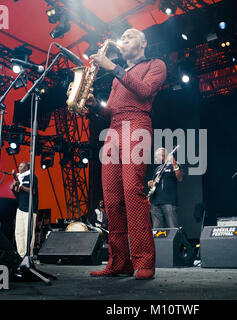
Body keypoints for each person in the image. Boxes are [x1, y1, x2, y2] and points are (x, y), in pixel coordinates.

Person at [87, 28, 167, 279]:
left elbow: (143, 91)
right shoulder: (115, 78)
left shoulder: (156, 64)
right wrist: (94, 107)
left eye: (128, 37)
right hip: (113, 130)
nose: (122, 41)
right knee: (111, 198)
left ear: (143, 43)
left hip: (137, 124)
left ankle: (144, 261)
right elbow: (110, 110)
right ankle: (118, 262)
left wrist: (112, 66)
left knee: (133, 190)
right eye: (121, 38)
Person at [148, 147, 183, 228]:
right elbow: (154, 183)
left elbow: (180, 178)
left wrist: (174, 162)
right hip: (155, 203)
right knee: (156, 230)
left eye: (157, 156)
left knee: (172, 227)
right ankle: (158, 241)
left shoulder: (175, 165)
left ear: (164, 156)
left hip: (169, 202)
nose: (155, 158)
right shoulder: (158, 168)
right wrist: (150, 184)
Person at [10, 161, 38, 258]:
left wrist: (20, 185)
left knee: (28, 232)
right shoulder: (19, 178)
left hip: (30, 209)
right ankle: (21, 255)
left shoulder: (31, 177)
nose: (19, 167)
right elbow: (17, 194)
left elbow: (32, 191)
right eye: (19, 166)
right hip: (20, 208)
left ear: (27, 168)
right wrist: (13, 188)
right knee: (19, 232)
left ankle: (28, 255)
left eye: (22, 166)